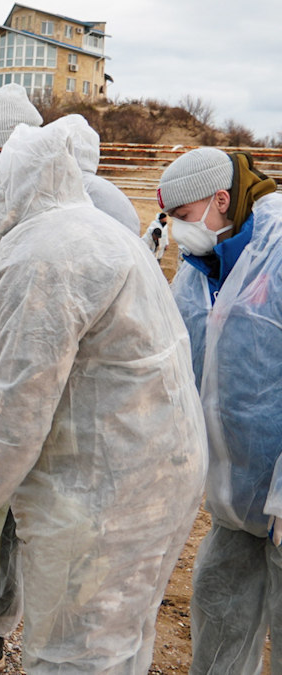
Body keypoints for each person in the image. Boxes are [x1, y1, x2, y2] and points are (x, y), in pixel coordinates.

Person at [0, 108, 206, 672]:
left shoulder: (41, 256)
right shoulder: (81, 226)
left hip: (106, 494)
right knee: (120, 641)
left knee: (71, 656)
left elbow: (16, 418)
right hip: (152, 475)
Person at [156, 147, 282, 675]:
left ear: (221, 200)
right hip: (234, 498)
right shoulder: (196, 271)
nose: (180, 233)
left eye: (184, 218)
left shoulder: (276, 255)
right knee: (219, 614)